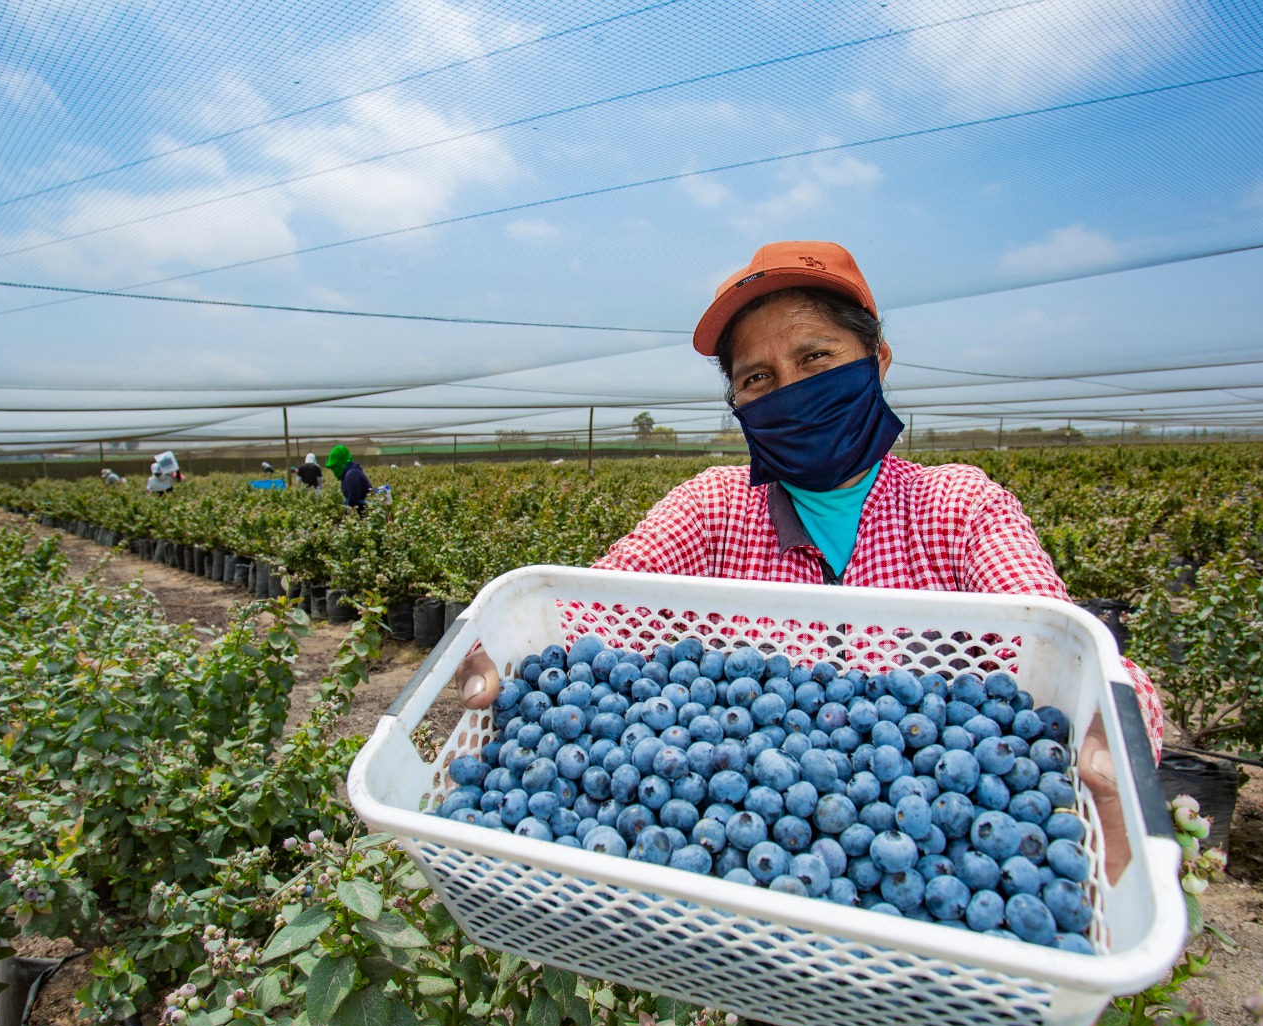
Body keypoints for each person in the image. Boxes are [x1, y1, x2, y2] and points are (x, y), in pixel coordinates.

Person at [456, 240, 1165, 883]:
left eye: (816, 359)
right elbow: (585, 603)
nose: (790, 391)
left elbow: (1072, 649)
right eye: (758, 379)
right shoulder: (713, 510)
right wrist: (488, 637)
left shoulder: (957, 508)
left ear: (877, 361)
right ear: (737, 402)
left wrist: (1117, 731)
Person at [326, 444, 373, 512]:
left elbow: (354, 499)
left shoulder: (351, 474)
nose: (334, 470)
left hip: (364, 512)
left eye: (335, 467)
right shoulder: (349, 472)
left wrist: (346, 515)